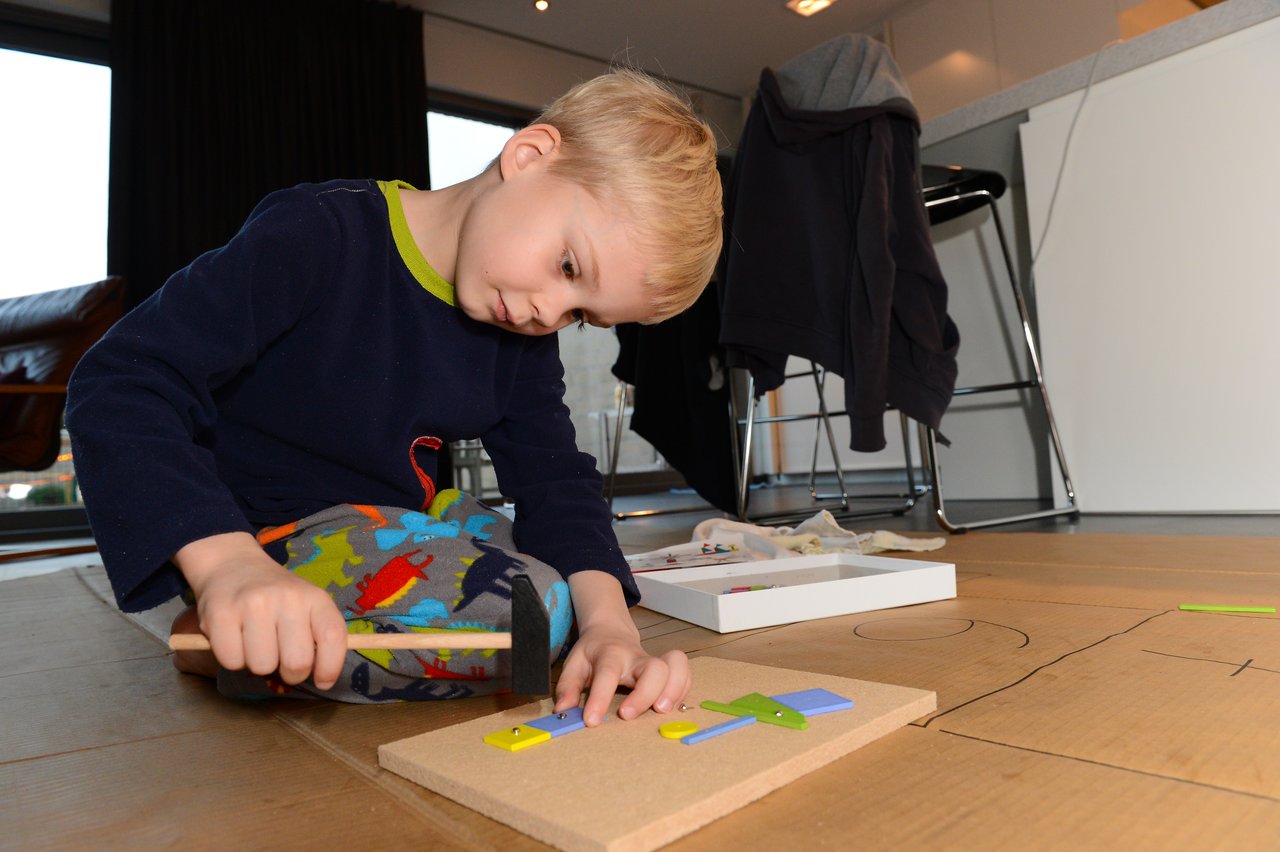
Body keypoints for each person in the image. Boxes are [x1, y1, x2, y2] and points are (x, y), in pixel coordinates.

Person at [65, 69, 723, 726]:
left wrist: (612, 629)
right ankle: (238, 635)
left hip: (404, 526)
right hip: (268, 534)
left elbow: (555, 480)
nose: (549, 312)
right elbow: (121, 380)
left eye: (582, 315)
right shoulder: (320, 234)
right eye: (569, 267)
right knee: (534, 606)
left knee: (568, 585)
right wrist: (225, 564)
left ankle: (291, 638)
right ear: (527, 157)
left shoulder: (522, 332)